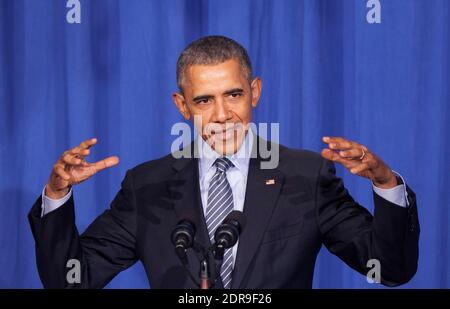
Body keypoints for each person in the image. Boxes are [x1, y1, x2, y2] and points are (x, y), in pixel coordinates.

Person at [28, 35, 419, 289]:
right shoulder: (146, 185)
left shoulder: (306, 176)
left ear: (255, 93)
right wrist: (57, 194)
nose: (222, 114)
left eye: (233, 95)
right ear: (182, 105)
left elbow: (389, 268)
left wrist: (384, 184)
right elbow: (69, 280)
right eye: (203, 100)